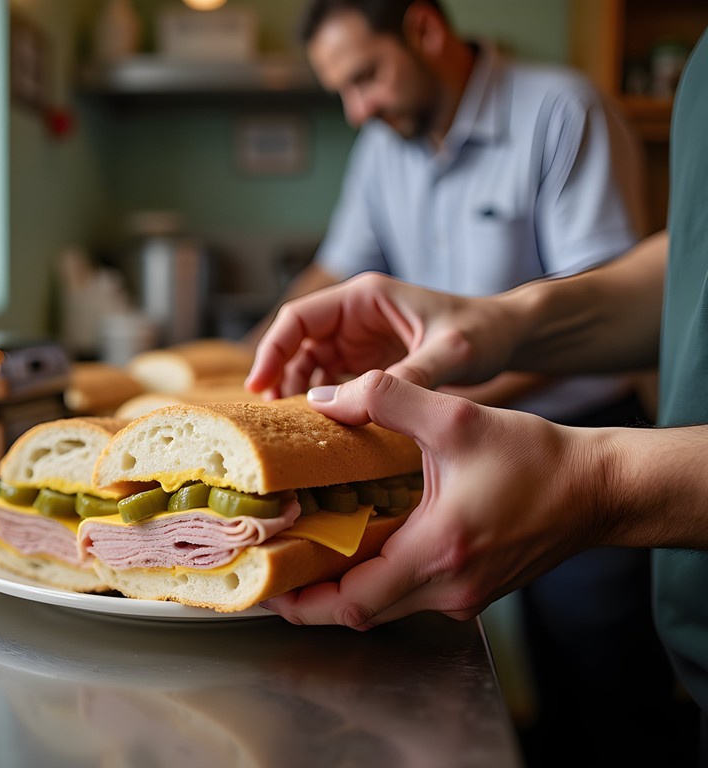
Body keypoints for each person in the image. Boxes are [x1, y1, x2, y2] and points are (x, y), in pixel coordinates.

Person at [245, 23, 708, 767]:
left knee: (607, 696)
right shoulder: (382, 145)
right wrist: (486, 329)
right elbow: (684, 274)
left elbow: (609, 275)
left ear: (424, 30)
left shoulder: (561, 108)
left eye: (366, 75)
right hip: (448, 452)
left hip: (584, 432)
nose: (356, 109)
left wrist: (594, 480)